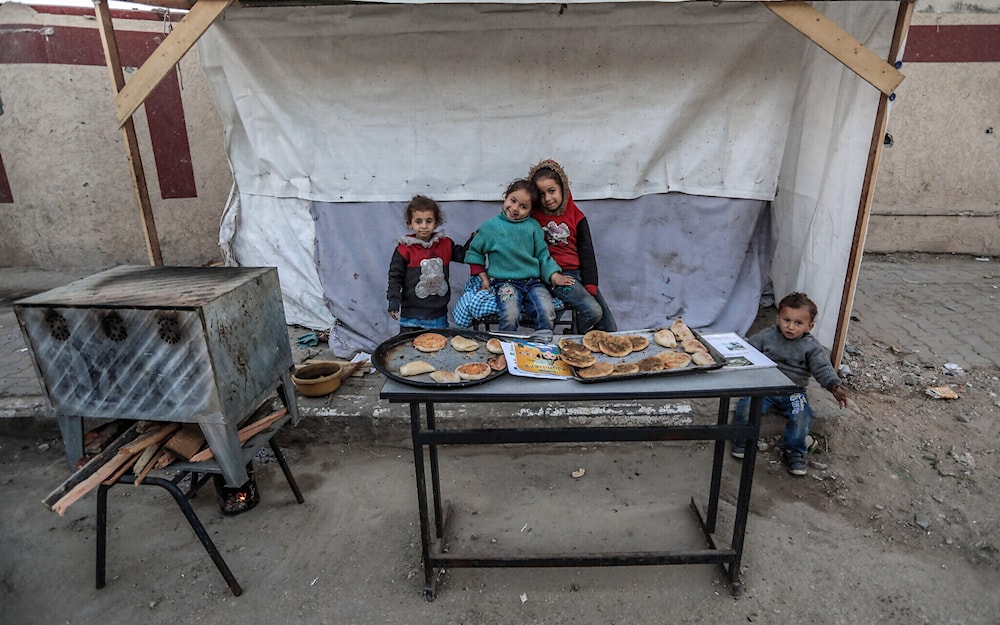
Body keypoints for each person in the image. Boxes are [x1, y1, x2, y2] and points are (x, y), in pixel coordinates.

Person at [730, 292, 849, 476]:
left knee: (802, 415)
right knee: (746, 406)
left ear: (809, 326)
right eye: (786, 320)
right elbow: (748, 349)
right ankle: (741, 439)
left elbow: (822, 368)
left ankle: (793, 450)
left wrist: (834, 386)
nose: (791, 327)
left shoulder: (811, 347)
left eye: (798, 323)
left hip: (793, 391)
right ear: (778, 318)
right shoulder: (767, 336)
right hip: (765, 388)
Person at [464, 179, 574, 342]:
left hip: (533, 282)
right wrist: (483, 277)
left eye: (523, 207)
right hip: (505, 282)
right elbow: (475, 252)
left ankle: (542, 348)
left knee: (546, 310)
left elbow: (543, 255)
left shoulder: (533, 227)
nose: (515, 209)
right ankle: (507, 350)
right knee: (510, 313)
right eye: (512, 201)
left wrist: (554, 275)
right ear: (505, 197)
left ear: (531, 211)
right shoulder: (490, 227)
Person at [528, 159, 617, 333]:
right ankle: (572, 339)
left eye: (552, 191)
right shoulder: (533, 218)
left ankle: (575, 335)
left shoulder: (577, 216)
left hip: (579, 275)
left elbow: (587, 254)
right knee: (593, 311)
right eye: (541, 194)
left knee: (610, 328)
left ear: (564, 187)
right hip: (556, 275)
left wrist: (590, 285)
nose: (547, 198)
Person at [386, 195, 466, 333]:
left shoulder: (445, 244)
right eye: (418, 221)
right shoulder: (404, 249)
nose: (424, 226)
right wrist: (393, 301)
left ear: (436, 223)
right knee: (408, 347)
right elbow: (395, 278)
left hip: (437, 314)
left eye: (428, 221)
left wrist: (476, 239)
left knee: (437, 347)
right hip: (410, 315)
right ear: (409, 224)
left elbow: (464, 256)